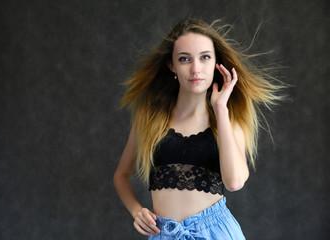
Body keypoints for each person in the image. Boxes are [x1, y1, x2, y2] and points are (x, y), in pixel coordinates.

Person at [113, 19, 282, 239]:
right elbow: (121, 175)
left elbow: (234, 182)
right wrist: (136, 211)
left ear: (215, 63)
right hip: (165, 233)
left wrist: (220, 109)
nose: (195, 69)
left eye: (205, 57)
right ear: (172, 65)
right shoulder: (149, 117)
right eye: (185, 59)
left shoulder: (229, 120)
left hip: (216, 233)